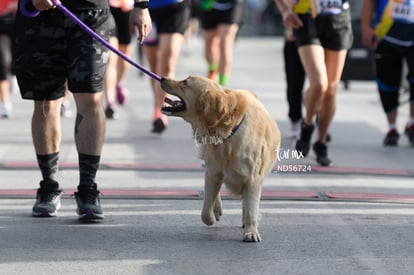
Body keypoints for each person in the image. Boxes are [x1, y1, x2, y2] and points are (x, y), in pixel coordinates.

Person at [14, 0, 152, 220]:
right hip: (41, 16)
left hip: (91, 13)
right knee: (45, 102)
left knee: (91, 100)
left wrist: (141, 6)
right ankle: (49, 186)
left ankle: (88, 189)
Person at [274, 0, 353, 166]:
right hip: (306, 18)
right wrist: (285, 10)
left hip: (338, 18)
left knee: (331, 90)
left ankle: (321, 143)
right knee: (319, 83)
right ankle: (307, 125)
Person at [361, 0, 414, 146]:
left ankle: (412, 123)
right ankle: (392, 128)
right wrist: (366, 27)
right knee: (387, 84)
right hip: (387, 35)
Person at [142, 0, 190, 133]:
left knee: (167, 61)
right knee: (154, 65)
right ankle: (157, 105)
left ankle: (161, 109)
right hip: (147, 9)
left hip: (175, 7)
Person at [198, 0, 246, 86]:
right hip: (209, 5)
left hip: (232, 5)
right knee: (209, 47)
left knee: (225, 44)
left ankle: (222, 85)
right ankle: (213, 68)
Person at [104, 0, 134, 119]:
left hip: (126, 8)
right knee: (111, 57)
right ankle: (110, 101)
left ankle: (120, 82)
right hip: (106, 8)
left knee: (124, 54)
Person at [283, 25, 305, 139]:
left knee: (321, 84)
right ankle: (295, 119)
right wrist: (289, 25)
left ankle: (319, 123)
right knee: (294, 82)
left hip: (324, 31)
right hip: (297, 29)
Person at [0, 0, 17, 119]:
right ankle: (4, 103)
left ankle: (14, 75)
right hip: (2, 25)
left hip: (24, 21)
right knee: (2, 62)